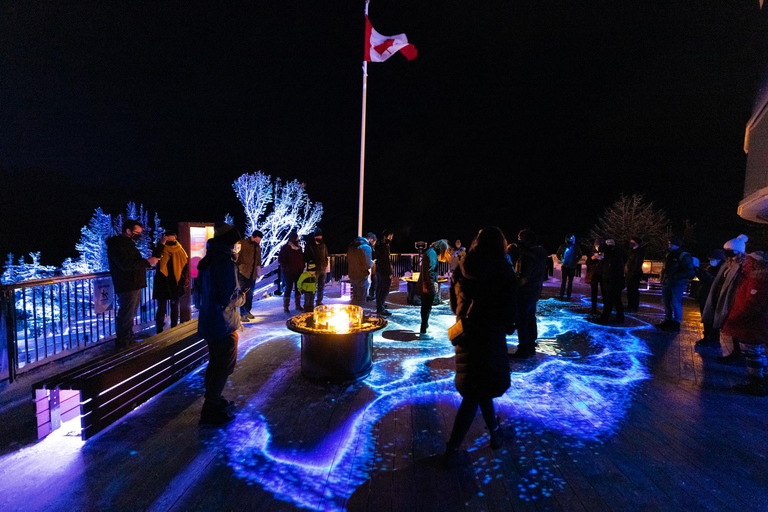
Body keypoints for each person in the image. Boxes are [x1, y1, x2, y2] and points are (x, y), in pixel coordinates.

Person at [443, 227, 516, 467]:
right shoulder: (504, 271)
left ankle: (495, 433)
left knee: (477, 386)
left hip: (467, 334)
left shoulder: (464, 267)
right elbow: (509, 312)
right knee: (475, 392)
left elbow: (454, 304)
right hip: (491, 338)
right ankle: (452, 450)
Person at [197, 222, 245, 425]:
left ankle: (214, 400)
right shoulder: (225, 262)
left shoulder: (208, 260)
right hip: (223, 323)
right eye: (235, 242)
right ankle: (210, 408)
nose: (237, 246)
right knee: (224, 365)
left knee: (215, 363)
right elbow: (229, 297)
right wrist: (242, 297)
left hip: (209, 319)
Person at [720, 250, 768, 396]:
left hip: (752, 325)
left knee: (752, 352)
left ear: (755, 264)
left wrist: (736, 319)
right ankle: (760, 379)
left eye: (749, 261)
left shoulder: (758, 280)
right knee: (755, 352)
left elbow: (752, 305)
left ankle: (756, 382)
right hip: (753, 324)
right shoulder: (752, 277)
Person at [106, 220, 159, 349]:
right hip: (127, 284)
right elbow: (126, 264)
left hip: (133, 283)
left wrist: (145, 261)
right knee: (126, 314)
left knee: (130, 314)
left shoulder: (127, 244)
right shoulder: (118, 245)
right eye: (137, 233)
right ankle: (123, 342)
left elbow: (131, 262)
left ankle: (128, 338)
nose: (139, 236)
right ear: (128, 231)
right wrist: (147, 262)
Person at [702, 234, 749, 364]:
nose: (726, 254)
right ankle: (736, 352)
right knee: (731, 327)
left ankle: (739, 354)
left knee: (736, 328)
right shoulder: (728, 265)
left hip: (734, 301)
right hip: (724, 299)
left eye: (729, 250)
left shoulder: (742, 267)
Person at [511, 229, 547, 358]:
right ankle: (530, 345)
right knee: (531, 319)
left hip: (525, 293)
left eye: (520, 238)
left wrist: (511, 285)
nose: (519, 241)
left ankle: (523, 349)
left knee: (523, 320)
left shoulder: (528, 256)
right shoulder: (538, 254)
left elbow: (523, 278)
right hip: (534, 292)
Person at [152, 230, 189, 334]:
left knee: (174, 306)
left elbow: (185, 263)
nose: (171, 240)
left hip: (175, 281)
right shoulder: (161, 247)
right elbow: (156, 256)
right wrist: (162, 243)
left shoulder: (179, 248)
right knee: (161, 307)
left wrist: (185, 278)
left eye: (173, 238)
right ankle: (159, 329)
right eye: (169, 238)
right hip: (162, 280)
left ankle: (174, 327)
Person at [656, 235, 696, 332]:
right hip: (667, 282)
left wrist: (675, 277)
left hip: (677, 284)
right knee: (666, 302)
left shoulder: (684, 256)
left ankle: (676, 323)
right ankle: (668, 320)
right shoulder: (669, 254)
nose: (668, 245)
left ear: (676, 245)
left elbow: (690, 272)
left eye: (670, 243)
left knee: (675, 302)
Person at [416, 239, 450, 339]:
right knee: (426, 308)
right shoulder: (432, 254)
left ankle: (425, 326)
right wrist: (431, 288)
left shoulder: (431, 252)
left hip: (425, 285)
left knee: (426, 307)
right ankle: (423, 332)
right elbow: (429, 272)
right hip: (426, 286)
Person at [694, 249, 725, 347]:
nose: (711, 261)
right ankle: (707, 337)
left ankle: (712, 339)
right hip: (706, 296)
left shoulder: (722, 269)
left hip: (713, 298)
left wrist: (703, 273)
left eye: (713, 259)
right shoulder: (712, 268)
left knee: (711, 319)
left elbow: (713, 282)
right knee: (706, 318)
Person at [597, 239, 625, 325]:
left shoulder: (613, 254)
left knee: (610, 300)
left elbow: (611, 268)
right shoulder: (615, 253)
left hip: (613, 280)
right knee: (616, 300)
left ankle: (605, 317)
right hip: (613, 280)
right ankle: (619, 317)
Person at [236, 230, 263, 322]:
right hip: (243, 272)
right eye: (256, 240)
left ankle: (248, 310)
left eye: (259, 241)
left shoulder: (258, 247)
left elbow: (258, 261)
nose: (257, 242)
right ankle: (243, 313)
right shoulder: (242, 243)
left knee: (250, 293)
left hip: (253, 274)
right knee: (243, 293)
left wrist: (259, 271)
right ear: (252, 237)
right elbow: (236, 256)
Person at [278, 231, 304, 313]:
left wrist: (302, 266)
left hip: (298, 271)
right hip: (288, 272)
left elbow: (302, 258)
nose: (298, 240)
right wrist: (286, 267)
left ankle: (298, 305)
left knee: (298, 288)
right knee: (288, 288)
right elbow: (280, 259)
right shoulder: (285, 248)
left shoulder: (299, 248)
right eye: (297, 239)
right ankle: (286, 306)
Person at [304, 228, 328, 306]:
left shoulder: (323, 244)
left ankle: (319, 302)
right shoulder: (309, 245)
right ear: (315, 237)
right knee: (312, 287)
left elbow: (325, 255)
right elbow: (306, 257)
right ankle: (310, 304)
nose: (320, 238)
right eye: (318, 237)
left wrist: (325, 264)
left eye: (321, 236)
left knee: (321, 287)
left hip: (322, 268)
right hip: (313, 270)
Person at [348, 235, 373, 306]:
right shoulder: (366, 248)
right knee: (361, 299)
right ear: (371, 240)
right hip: (361, 276)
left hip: (352, 275)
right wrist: (372, 263)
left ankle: (351, 314)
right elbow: (368, 265)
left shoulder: (352, 247)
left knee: (355, 297)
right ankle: (359, 315)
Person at [556, 234, 582, 301]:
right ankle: (561, 295)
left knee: (570, 282)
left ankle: (568, 296)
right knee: (564, 281)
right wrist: (561, 259)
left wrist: (575, 261)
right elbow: (558, 254)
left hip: (572, 266)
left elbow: (580, 255)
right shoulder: (563, 246)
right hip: (565, 266)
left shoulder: (576, 247)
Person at [374, 229, 394, 316]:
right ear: (385, 237)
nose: (391, 239)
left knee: (380, 289)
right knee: (384, 289)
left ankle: (380, 304)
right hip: (384, 272)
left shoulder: (378, 245)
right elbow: (385, 261)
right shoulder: (384, 247)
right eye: (390, 237)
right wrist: (389, 272)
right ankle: (380, 307)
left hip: (379, 271)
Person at [624, 237, 646, 312]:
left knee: (634, 290)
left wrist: (633, 273)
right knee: (629, 290)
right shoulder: (631, 251)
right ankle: (630, 305)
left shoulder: (639, 251)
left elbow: (638, 264)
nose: (630, 243)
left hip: (634, 274)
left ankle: (634, 306)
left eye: (632, 241)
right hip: (629, 273)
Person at [585, 237, 605, 316]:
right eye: (596, 246)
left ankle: (605, 308)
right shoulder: (592, 252)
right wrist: (591, 258)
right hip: (594, 274)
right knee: (594, 292)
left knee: (604, 292)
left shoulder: (605, 252)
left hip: (603, 274)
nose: (597, 247)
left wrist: (602, 259)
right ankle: (593, 308)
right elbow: (587, 263)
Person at [366, 232, 378, 301]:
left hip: (372, 266)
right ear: (370, 239)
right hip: (370, 265)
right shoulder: (368, 247)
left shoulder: (370, 247)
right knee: (369, 281)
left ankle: (371, 294)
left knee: (373, 280)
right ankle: (369, 295)